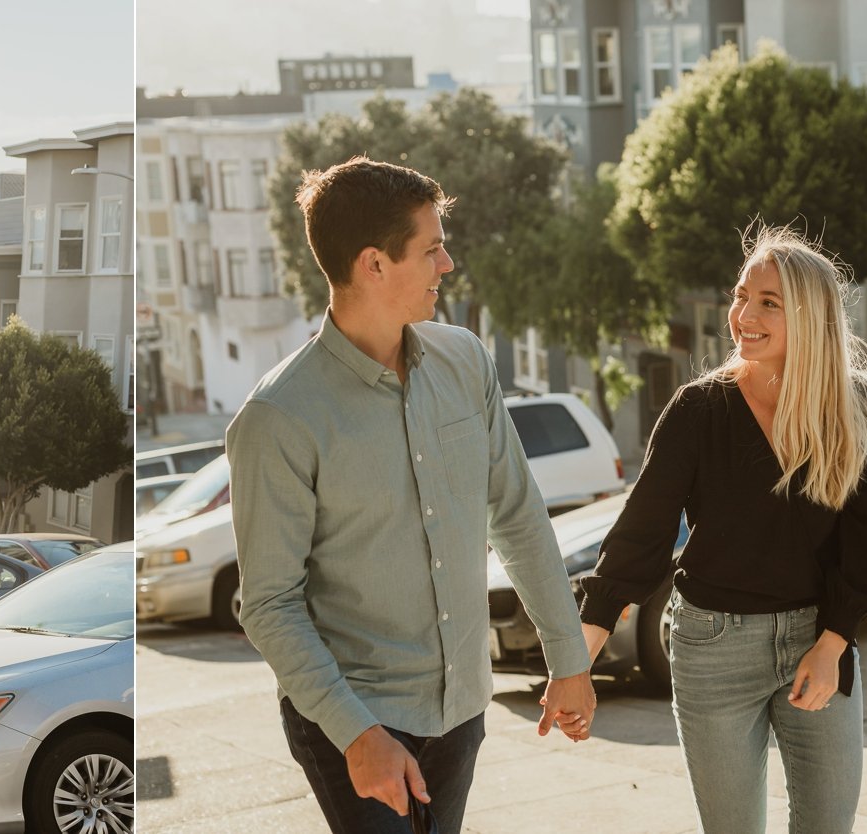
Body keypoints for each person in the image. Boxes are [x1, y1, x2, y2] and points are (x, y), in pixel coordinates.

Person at [228, 157, 597, 834]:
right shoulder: (278, 418)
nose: (447, 265)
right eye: (430, 250)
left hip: (461, 713)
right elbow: (270, 606)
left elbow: (516, 515)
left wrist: (567, 657)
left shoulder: (464, 361)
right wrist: (357, 735)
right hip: (355, 722)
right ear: (374, 264)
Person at [577, 225, 867, 834]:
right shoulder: (699, 410)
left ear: (811, 315)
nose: (743, 315)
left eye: (768, 302)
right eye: (741, 295)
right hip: (713, 649)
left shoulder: (851, 406)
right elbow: (640, 535)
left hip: (817, 640)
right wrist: (577, 659)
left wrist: (833, 644)